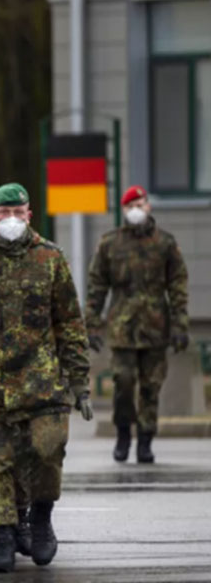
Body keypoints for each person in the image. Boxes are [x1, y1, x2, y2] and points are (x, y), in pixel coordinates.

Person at [0, 183, 91, 573]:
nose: (10, 220)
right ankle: (1, 536)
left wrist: (80, 382)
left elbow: (69, 324)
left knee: (46, 453)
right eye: (3, 213)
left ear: (29, 213)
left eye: (17, 212)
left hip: (42, 384)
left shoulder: (50, 259)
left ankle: (40, 518)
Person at [86, 185, 189, 464]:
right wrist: (92, 324)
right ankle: (122, 434)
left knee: (151, 387)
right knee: (123, 383)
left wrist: (180, 325)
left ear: (148, 206)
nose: (136, 210)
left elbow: (178, 284)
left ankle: (145, 440)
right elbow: (97, 285)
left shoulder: (165, 243)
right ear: (123, 210)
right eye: (131, 205)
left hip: (156, 326)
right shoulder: (110, 244)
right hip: (122, 328)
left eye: (140, 204)